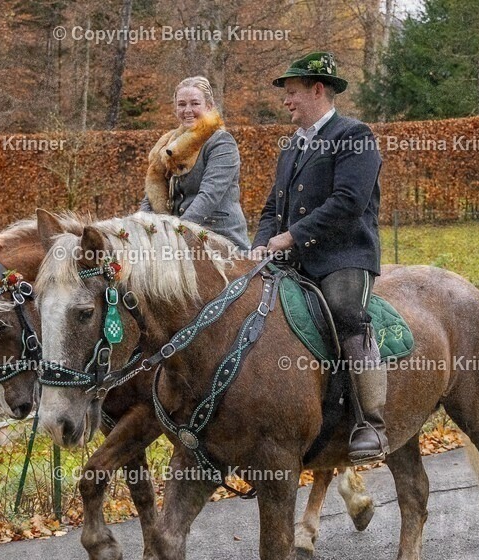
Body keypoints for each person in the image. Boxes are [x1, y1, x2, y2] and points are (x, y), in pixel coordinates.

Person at [251, 51, 387, 465]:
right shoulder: (292, 147)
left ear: (317, 90)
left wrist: (290, 237)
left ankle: (370, 422)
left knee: (345, 311)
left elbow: (348, 202)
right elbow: (272, 208)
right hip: (293, 257)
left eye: (292, 93)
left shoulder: (354, 135)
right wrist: (260, 245)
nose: (286, 101)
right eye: (285, 95)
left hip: (344, 255)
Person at [140, 76, 249, 249]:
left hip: (219, 240)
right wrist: (138, 227)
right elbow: (152, 196)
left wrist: (175, 234)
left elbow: (209, 196)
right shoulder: (168, 145)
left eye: (195, 103)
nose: (187, 110)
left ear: (209, 106)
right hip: (179, 240)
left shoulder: (221, 142)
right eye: (182, 104)